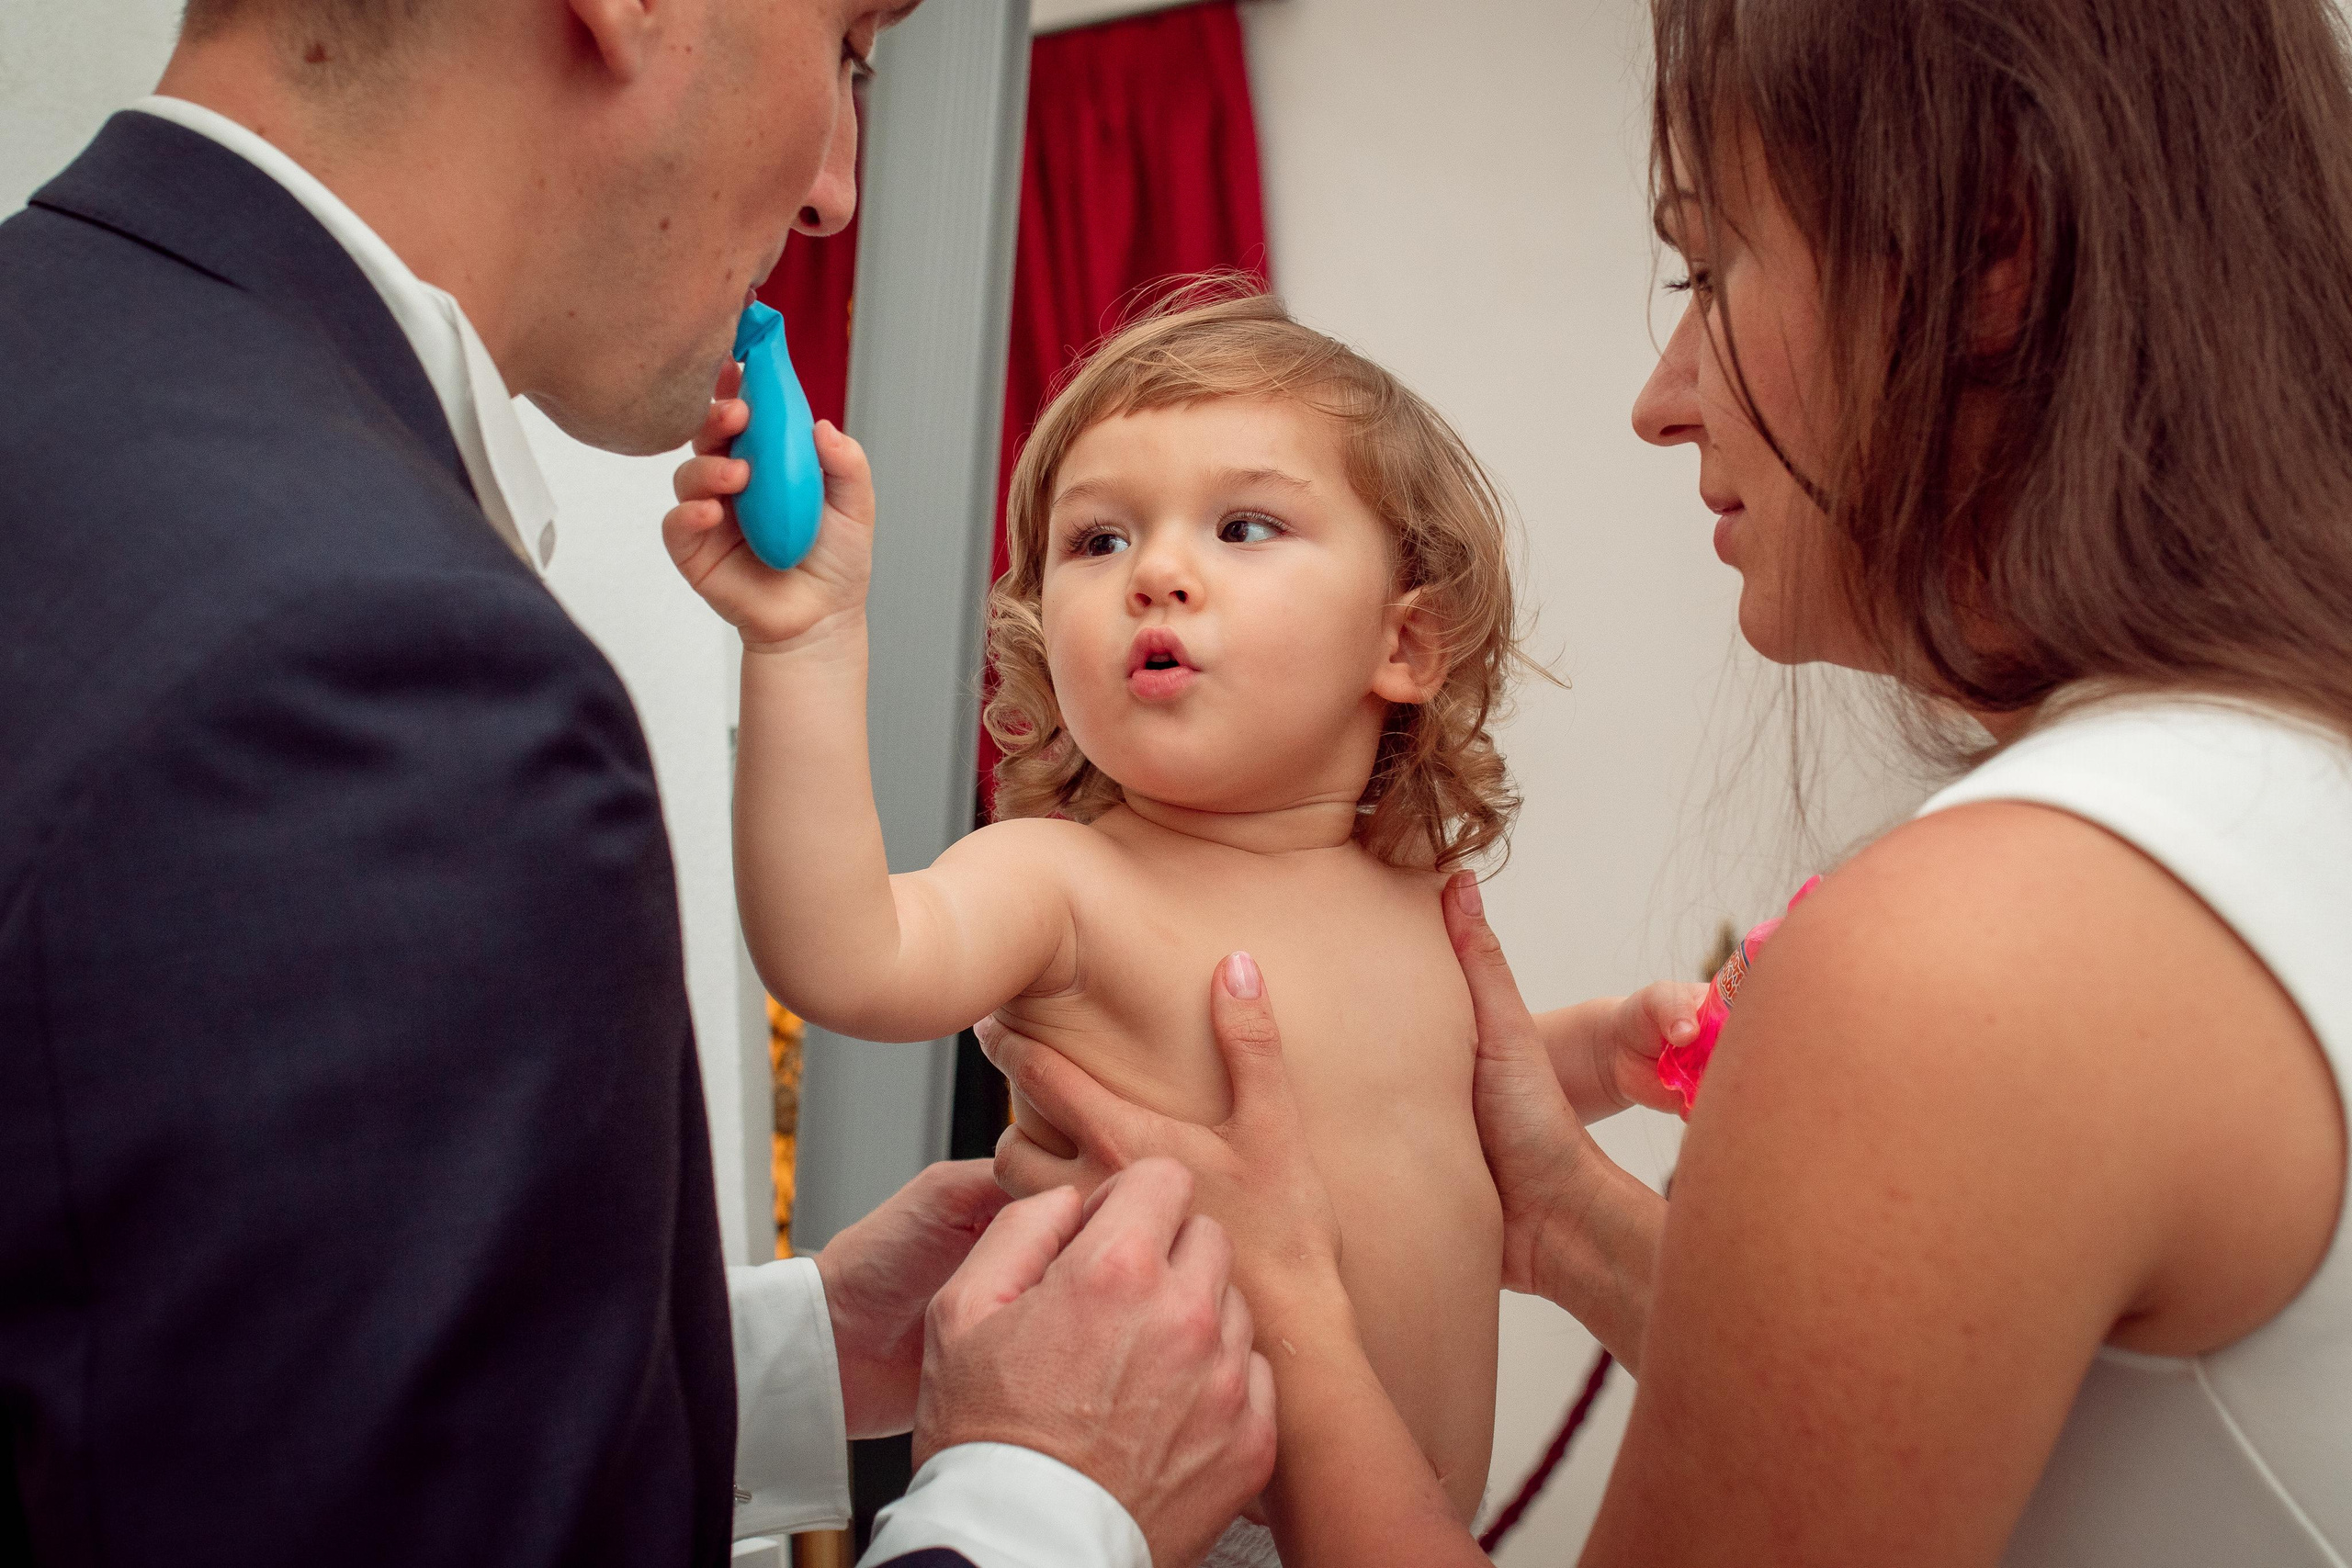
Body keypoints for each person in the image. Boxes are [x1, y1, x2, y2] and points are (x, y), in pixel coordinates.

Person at [985, 0, 2352, 1562]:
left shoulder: (1982, 946)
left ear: (1994, 253)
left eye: (1709, 269)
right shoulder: (2274, 776)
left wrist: (1283, 1299)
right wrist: (1558, 1215)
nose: (1662, 395)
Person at [0, 3, 1277, 1564]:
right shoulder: (375, 673)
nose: (834, 192)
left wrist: (798, 1357)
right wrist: (1047, 1495)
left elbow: (186, 1411)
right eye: (853, 54)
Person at [662, 289, 1704, 1564]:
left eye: (1243, 525)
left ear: (1407, 641)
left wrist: (1606, 1056)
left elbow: (1435, 1105)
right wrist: (808, 643)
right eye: (1097, 541)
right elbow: (843, 954)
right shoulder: (1065, 885)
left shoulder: (1409, 895)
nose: (1156, 570)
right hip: (1155, 1516)